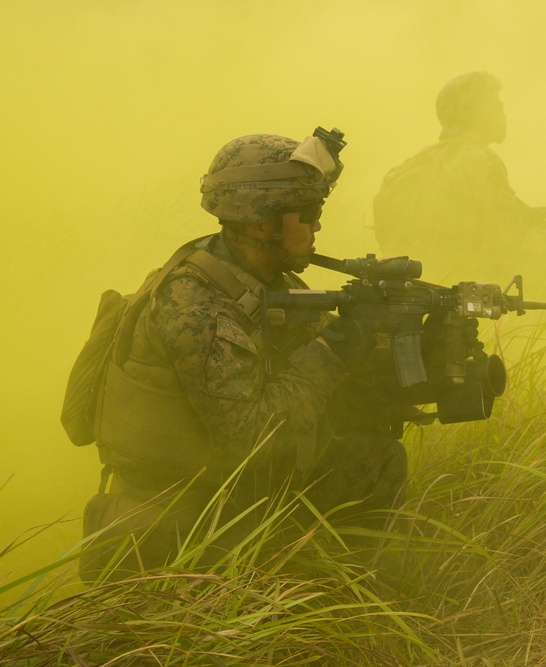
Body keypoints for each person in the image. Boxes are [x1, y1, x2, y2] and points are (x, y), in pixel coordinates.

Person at [77, 130, 407, 582]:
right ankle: (308, 609)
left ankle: (339, 601)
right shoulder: (195, 304)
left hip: (222, 491)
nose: (317, 227)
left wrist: (402, 342)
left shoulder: (265, 280)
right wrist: (334, 351)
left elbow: (332, 363)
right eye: (307, 214)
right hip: (174, 522)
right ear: (259, 223)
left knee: (375, 458)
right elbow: (252, 437)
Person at [373, 71, 546, 295]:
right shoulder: (479, 158)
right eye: (497, 107)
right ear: (479, 113)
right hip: (458, 287)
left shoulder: (420, 161)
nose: (503, 115)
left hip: (409, 283)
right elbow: (509, 235)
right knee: (542, 264)